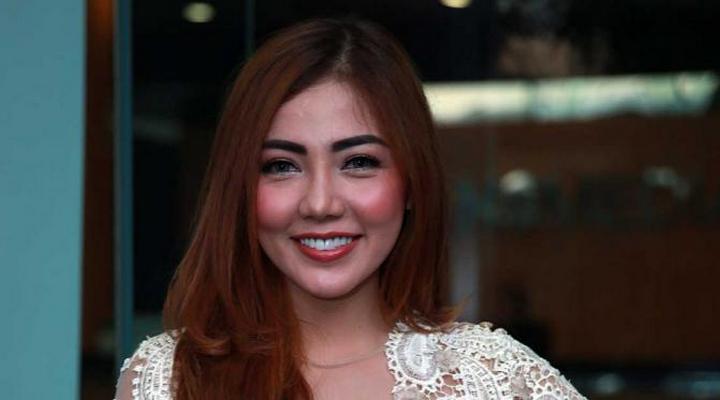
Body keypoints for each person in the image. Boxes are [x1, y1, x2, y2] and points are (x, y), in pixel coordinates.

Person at [115, 18, 586, 400]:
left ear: (411, 182)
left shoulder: (497, 380)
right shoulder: (165, 379)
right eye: (281, 165)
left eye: (359, 162)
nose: (321, 204)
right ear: (240, 189)